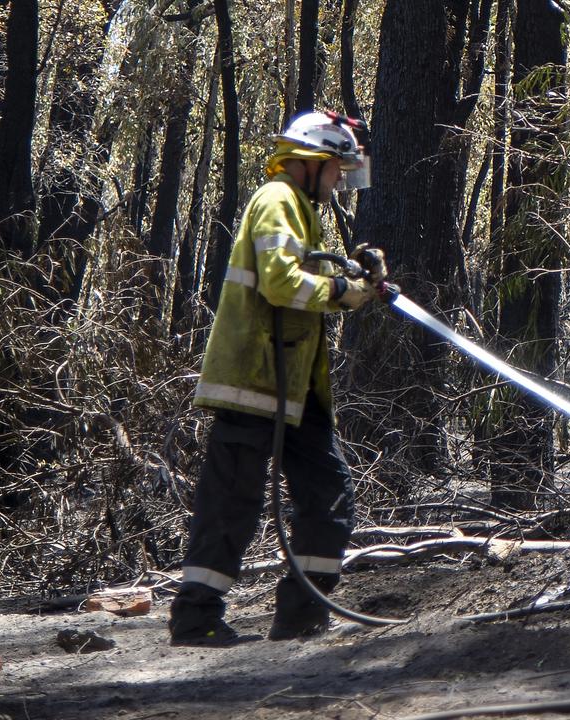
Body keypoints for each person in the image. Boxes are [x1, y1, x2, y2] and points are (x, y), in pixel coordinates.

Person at [168, 111, 386, 646]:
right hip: (254, 382)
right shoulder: (277, 199)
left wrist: (354, 275)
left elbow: (308, 276)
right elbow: (281, 283)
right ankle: (195, 619)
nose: (339, 182)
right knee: (231, 503)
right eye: (336, 169)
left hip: (296, 389)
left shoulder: (302, 210)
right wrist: (344, 292)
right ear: (311, 162)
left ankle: (302, 617)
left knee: (329, 495)